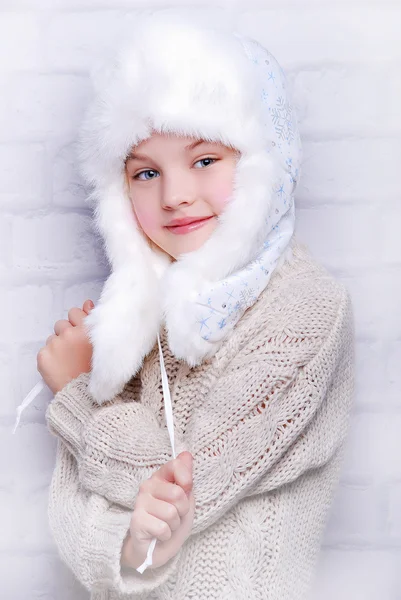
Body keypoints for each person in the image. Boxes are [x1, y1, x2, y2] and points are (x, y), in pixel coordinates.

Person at [37, 11, 355, 600]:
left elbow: (189, 484)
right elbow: (71, 514)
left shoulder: (306, 309)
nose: (175, 194)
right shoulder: (132, 322)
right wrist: (128, 549)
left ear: (264, 165)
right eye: (146, 172)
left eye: (204, 160)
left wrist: (77, 396)